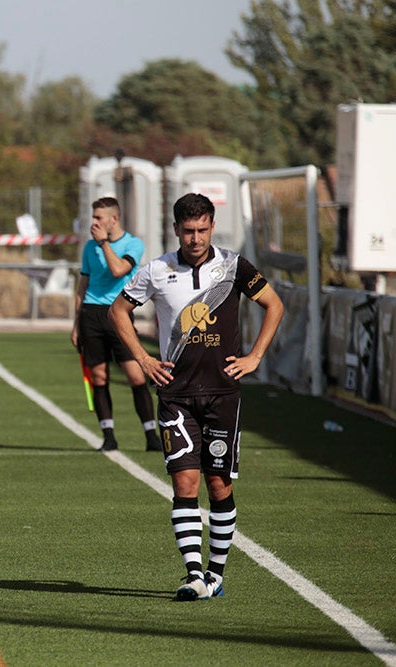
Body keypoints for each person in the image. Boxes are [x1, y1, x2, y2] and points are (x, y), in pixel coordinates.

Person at [109, 192, 283, 602]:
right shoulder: (157, 270)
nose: (195, 238)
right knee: (184, 481)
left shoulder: (234, 266)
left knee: (218, 484)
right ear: (175, 230)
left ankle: (215, 575)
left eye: (202, 229)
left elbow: (273, 305)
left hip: (222, 393)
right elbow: (118, 310)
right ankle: (193, 575)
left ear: (212, 226)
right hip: (176, 394)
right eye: (187, 231)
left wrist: (255, 356)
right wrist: (143, 359)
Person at [71, 196, 162, 453]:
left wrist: (104, 244)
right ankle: (108, 435)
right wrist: (76, 324)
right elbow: (83, 284)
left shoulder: (133, 244)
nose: (95, 223)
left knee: (135, 375)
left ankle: (150, 434)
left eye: (99, 218)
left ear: (114, 219)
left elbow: (118, 270)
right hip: (91, 314)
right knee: (99, 377)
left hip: (119, 314)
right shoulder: (90, 247)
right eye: (94, 217)